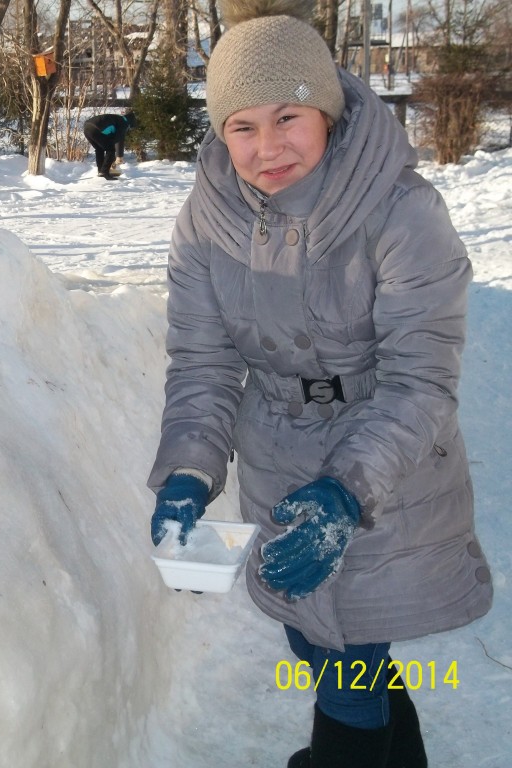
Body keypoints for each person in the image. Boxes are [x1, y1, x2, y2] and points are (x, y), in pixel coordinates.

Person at [147, 1, 493, 766]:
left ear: (328, 114)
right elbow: (203, 361)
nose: (267, 147)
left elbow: (422, 379)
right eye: (242, 126)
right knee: (320, 644)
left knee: (347, 668)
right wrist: (188, 471)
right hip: (277, 460)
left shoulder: (403, 212)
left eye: (288, 117)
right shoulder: (206, 221)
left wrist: (346, 492)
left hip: (385, 470)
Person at [83, 111, 136, 179]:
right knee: (111, 149)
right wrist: (119, 156)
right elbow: (119, 139)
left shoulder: (117, 118)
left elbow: (111, 136)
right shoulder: (123, 123)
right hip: (96, 129)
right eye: (130, 127)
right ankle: (105, 172)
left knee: (99, 149)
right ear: (130, 123)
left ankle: (101, 171)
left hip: (87, 128)